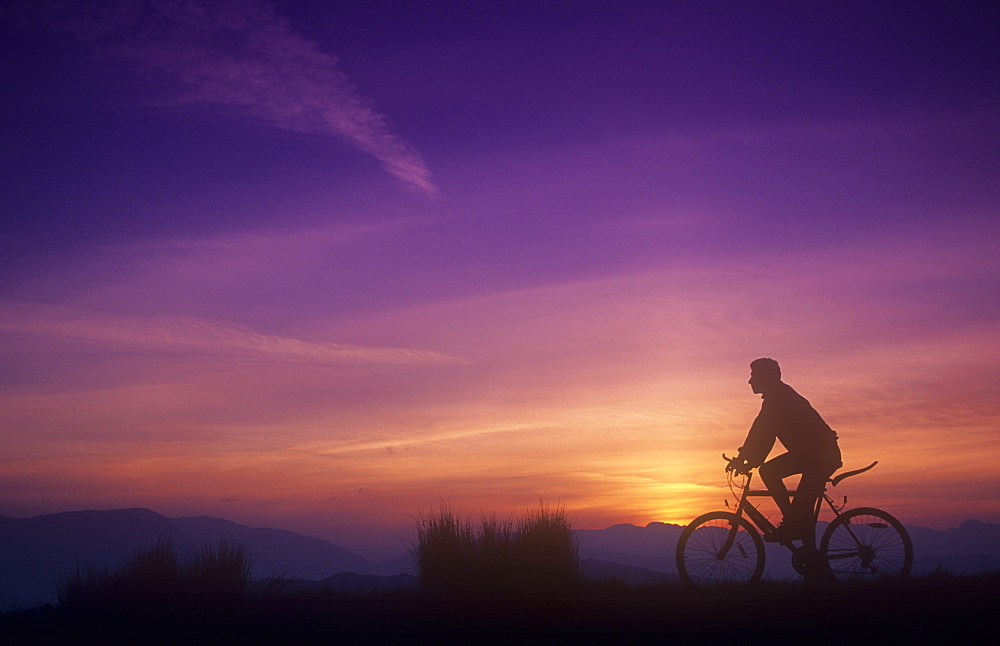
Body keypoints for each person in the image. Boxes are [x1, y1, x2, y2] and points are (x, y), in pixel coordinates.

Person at [727, 358, 842, 543]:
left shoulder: (778, 399)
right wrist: (746, 458)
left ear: (766, 377)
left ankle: (791, 524)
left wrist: (746, 459)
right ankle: (806, 548)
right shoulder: (777, 396)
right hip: (815, 456)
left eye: (753, 376)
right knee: (802, 512)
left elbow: (762, 433)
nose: (750, 381)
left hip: (819, 457)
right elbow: (762, 433)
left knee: (769, 472)